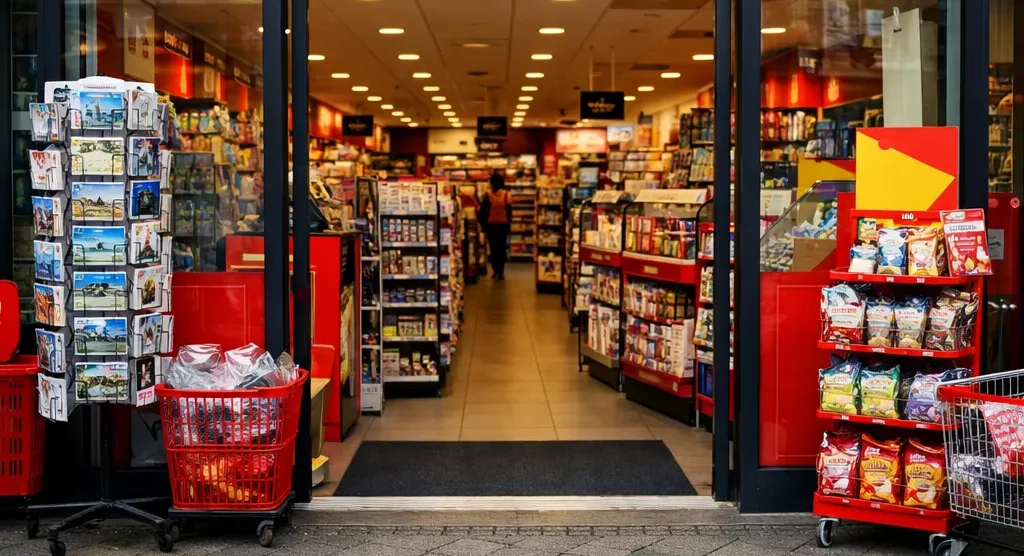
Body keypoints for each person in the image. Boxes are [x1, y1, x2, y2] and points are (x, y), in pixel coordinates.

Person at [480, 170, 512, 279]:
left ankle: (495, 271)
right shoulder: (506, 194)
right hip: (503, 225)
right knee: (502, 248)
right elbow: (509, 211)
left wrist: (483, 225)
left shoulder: (487, 195)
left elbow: (483, 211)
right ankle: (501, 272)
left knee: (493, 248)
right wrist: (509, 225)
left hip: (491, 226)